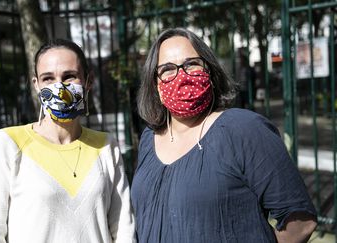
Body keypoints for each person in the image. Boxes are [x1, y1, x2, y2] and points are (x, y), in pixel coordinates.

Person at [131, 27, 317, 242]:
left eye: (192, 64)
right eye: (168, 69)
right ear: (155, 84)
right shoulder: (149, 139)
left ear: (210, 72)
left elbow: (301, 223)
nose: (181, 76)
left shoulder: (243, 129)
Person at [0, 39, 136, 243]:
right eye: (48, 78)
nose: (59, 86)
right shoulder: (9, 144)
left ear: (88, 81)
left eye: (69, 76)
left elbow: (123, 229)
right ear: (37, 85)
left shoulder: (105, 146)